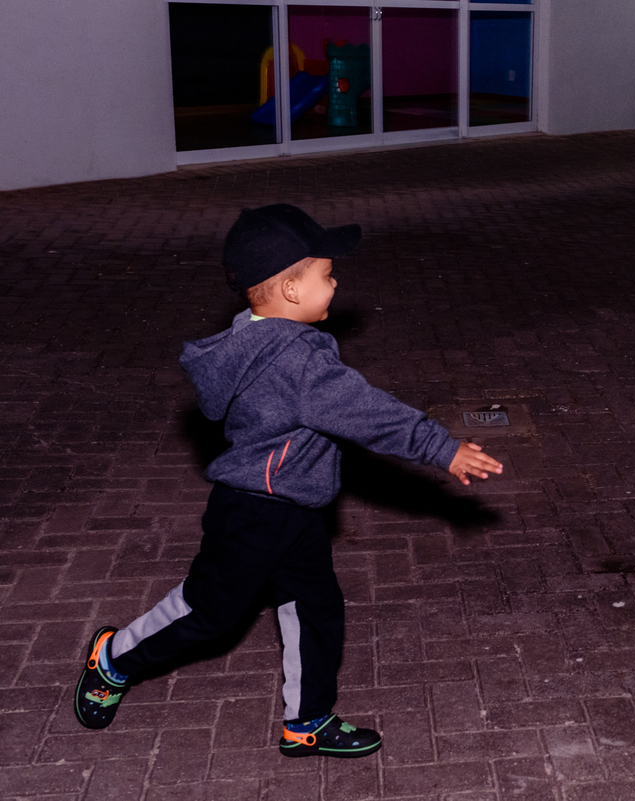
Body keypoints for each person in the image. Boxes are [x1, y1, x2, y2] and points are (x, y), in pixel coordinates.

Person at [74, 204, 503, 758]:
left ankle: (307, 720)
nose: (335, 282)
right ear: (293, 291)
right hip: (255, 511)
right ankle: (112, 659)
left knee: (314, 605)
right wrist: (442, 448)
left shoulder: (251, 334)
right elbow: (370, 413)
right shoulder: (297, 362)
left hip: (294, 506)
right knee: (210, 612)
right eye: (327, 274)